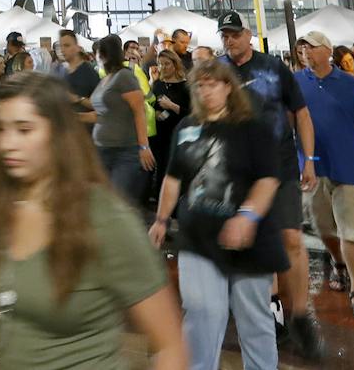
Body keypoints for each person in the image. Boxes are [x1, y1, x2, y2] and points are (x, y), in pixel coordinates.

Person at [0, 73, 185, 370]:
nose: (8, 143)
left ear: (57, 135)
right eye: (0, 129)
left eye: (25, 130)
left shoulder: (104, 218)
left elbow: (170, 345)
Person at [149, 57, 287, 370]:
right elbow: (173, 179)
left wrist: (246, 217)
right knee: (201, 313)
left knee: (254, 319)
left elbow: (268, 179)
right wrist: (161, 219)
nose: (206, 92)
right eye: (200, 86)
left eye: (213, 85)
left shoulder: (253, 128)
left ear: (228, 87)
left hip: (250, 244)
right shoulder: (186, 128)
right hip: (198, 238)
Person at [215, 10, 321, 360]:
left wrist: (310, 159)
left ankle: (301, 317)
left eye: (234, 34)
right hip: (239, 172)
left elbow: (301, 114)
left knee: (291, 238)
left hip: (282, 166)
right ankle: (271, 311)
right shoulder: (216, 72)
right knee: (252, 242)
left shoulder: (274, 68)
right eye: (224, 35)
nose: (229, 40)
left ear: (248, 34)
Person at [294, 32, 354, 321]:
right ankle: (338, 261)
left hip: (349, 167)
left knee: (353, 228)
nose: (306, 52)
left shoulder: (349, 85)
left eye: (312, 46)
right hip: (312, 169)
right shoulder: (296, 84)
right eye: (303, 47)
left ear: (327, 50)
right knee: (323, 226)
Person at [91, 35, 154, 204]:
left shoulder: (125, 76)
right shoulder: (106, 78)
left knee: (119, 203)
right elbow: (101, 114)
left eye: (97, 53)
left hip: (123, 151)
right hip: (103, 150)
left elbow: (138, 111)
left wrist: (143, 146)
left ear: (103, 55)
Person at [150, 49, 190, 195]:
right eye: (160, 64)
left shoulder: (185, 86)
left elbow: (191, 112)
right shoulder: (158, 85)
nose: (163, 68)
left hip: (179, 134)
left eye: (166, 64)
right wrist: (156, 113)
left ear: (175, 65)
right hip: (160, 136)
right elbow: (150, 105)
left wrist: (172, 106)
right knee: (162, 169)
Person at [57, 30, 100, 134]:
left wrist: (77, 99)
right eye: (60, 46)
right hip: (66, 133)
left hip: (86, 134)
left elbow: (100, 106)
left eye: (67, 46)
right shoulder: (60, 71)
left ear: (76, 47)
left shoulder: (89, 72)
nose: (62, 50)